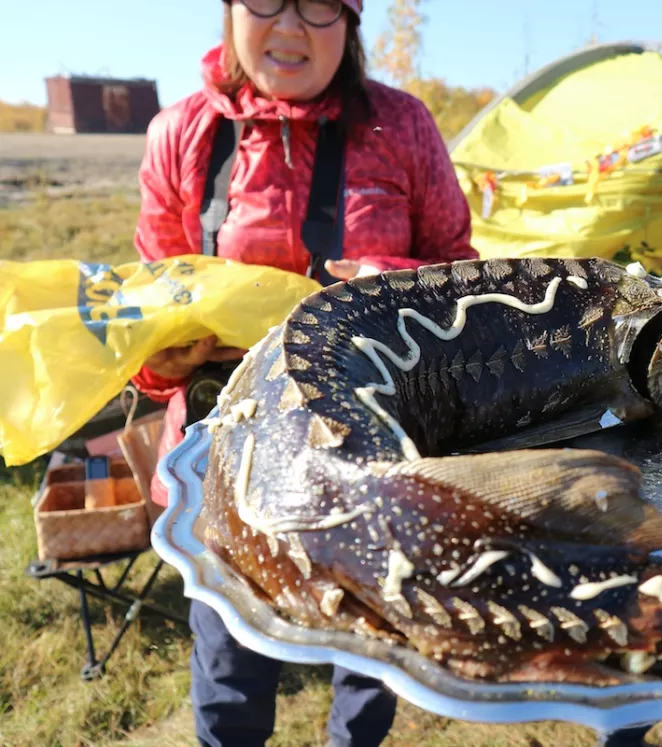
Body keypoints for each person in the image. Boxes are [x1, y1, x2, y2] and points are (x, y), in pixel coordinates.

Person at [129, 1, 475, 745]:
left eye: (318, 5)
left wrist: (380, 281)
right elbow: (144, 307)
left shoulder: (402, 125)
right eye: (265, 0)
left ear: (350, 22)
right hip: (226, 476)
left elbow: (464, 282)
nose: (288, 26)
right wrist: (158, 358)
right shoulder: (179, 135)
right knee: (228, 673)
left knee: (370, 658)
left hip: (377, 468)